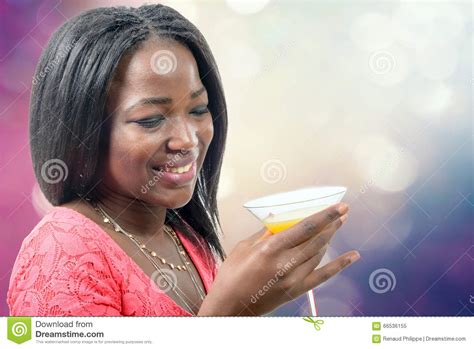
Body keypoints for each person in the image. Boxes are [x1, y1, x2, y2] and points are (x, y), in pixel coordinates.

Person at [8, 4, 359, 316]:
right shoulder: (62, 251)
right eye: (150, 119)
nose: (187, 140)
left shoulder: (185, 238)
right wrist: (231, 312)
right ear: (81, 129)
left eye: (198, 110)